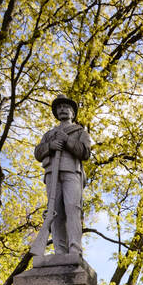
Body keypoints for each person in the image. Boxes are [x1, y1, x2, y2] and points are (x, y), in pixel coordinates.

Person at [33, 95, 92, 257]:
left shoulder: (80, 132)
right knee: (54, 212)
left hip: (72, 171)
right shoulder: (49, 134)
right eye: (59, 108)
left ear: (73, 112)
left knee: (73, 208)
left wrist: (67, 140)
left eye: (66, 107)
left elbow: (85, 152)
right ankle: (60, 251)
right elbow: (38, 152)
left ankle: (75, 248)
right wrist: (50, 146)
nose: (63, 110)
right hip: (52, 173)